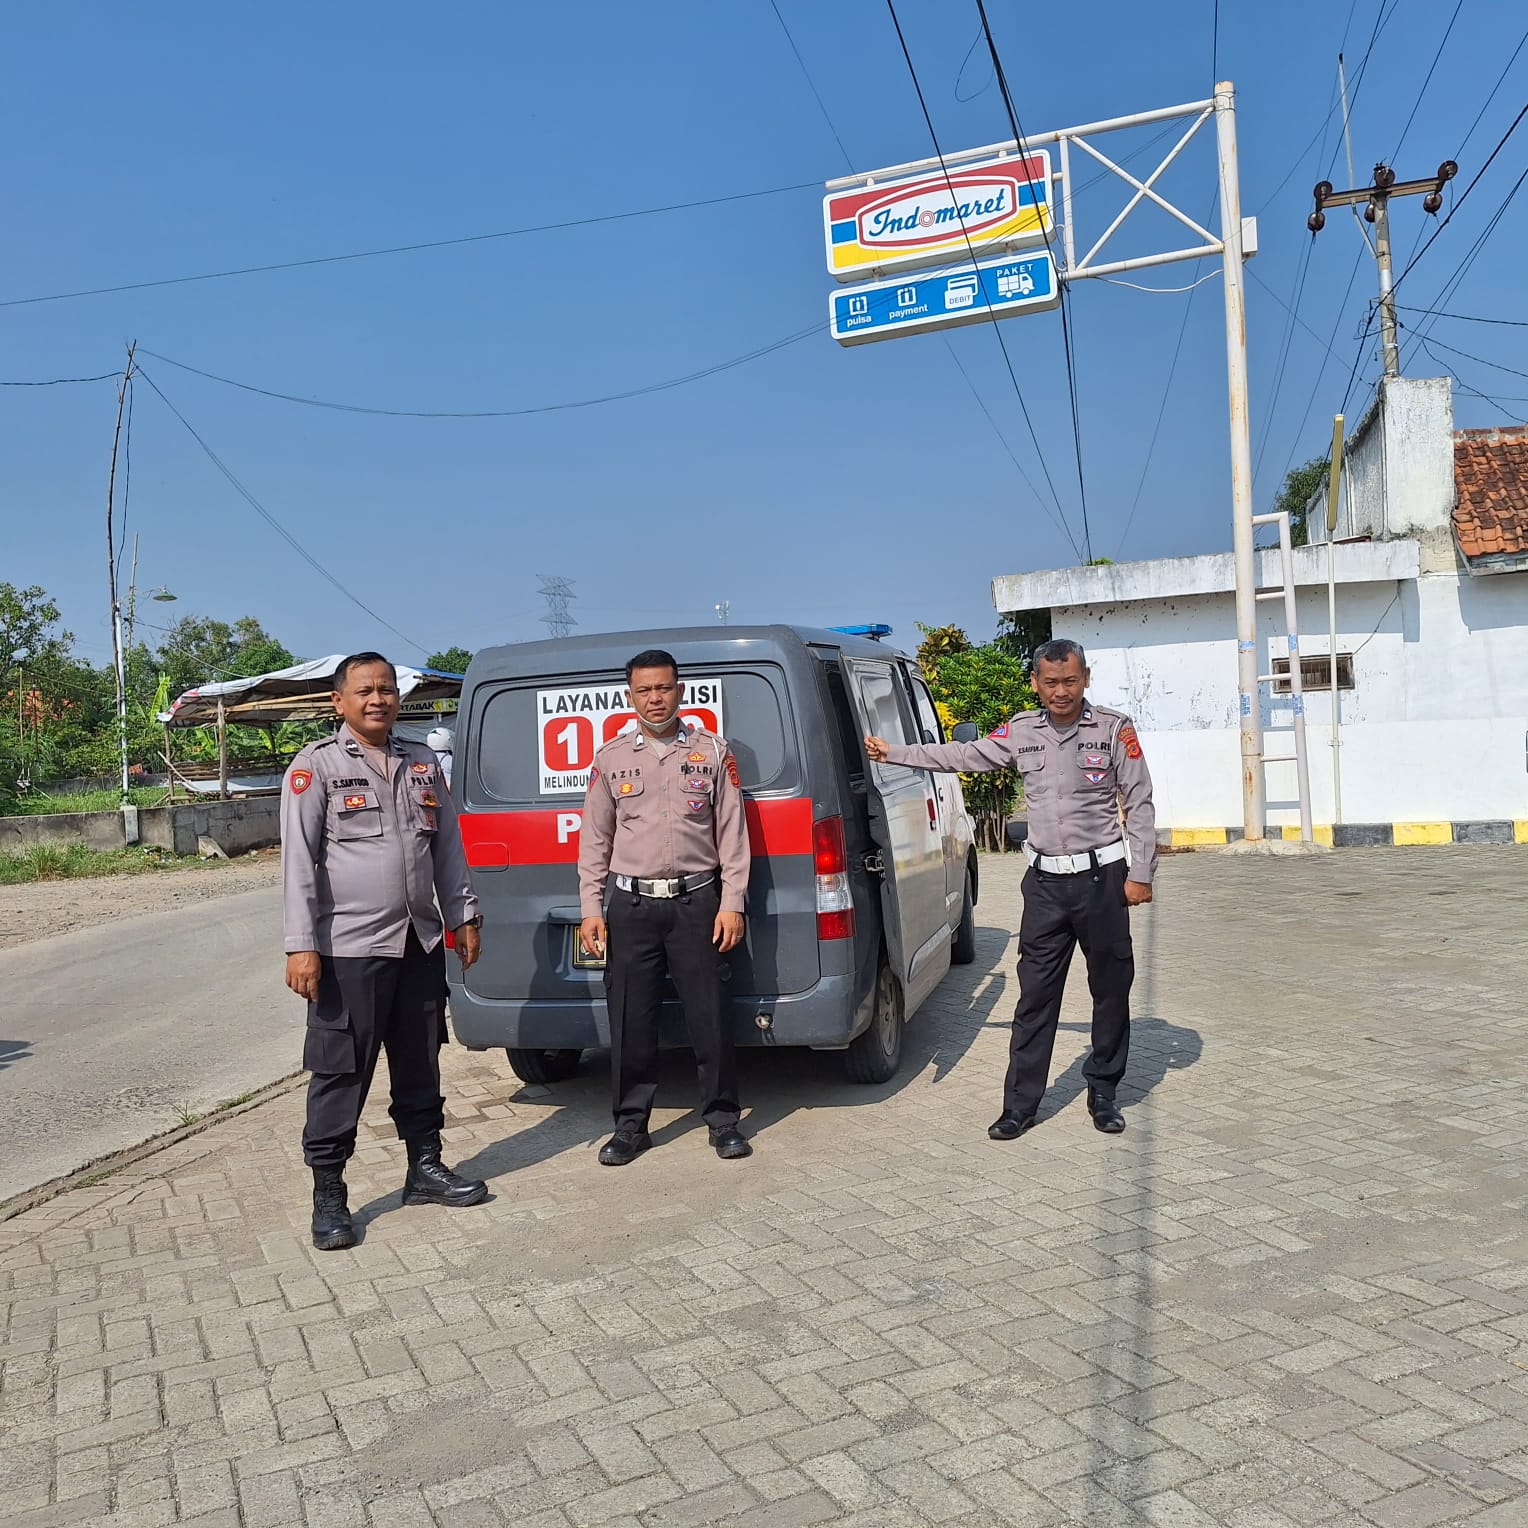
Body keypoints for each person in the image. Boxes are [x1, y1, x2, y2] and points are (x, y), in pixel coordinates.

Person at [864, 637, 1156, 1139]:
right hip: (1044, 886)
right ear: (1035, 683)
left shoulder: (1113, 728)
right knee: (1034, 998)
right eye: (1051, 682)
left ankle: (1104, 1091)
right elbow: (963, 753)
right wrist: (896, 753)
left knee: (1110, 991)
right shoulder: (1021, 731)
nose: (1061, 691)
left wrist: (1141, 873)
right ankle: (1020, 1105)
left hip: (1102, 882)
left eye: (1070, 681)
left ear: (1086, 678)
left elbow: (1140, 799)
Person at [282, 651, 488, 1252]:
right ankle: (329, 1193)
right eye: (365, 691)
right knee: (341, 1070)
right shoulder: (316, 766)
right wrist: (301, 945)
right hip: (348, 950)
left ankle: (424, 1167)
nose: (378, 700)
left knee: (420, 1059)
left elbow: (447, 847)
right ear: (339, 701)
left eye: (387, 690)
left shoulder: (421, 762)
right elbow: (298, 862)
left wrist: (463, 914)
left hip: (417, 940)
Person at [577, 648, 753, 1165]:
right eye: (644, 690)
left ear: (680, 690)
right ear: (630, 696)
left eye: (663, 687)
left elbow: (732, 834)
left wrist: (732, 902)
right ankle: (631, 1126)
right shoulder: (611, 758)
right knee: (630, 1018)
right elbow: (595, 840)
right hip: (631, 906)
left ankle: (723, 1120)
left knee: (710, 1015)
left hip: (698, 902)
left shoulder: (712, 751)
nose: (655, 698)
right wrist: (591, 908)